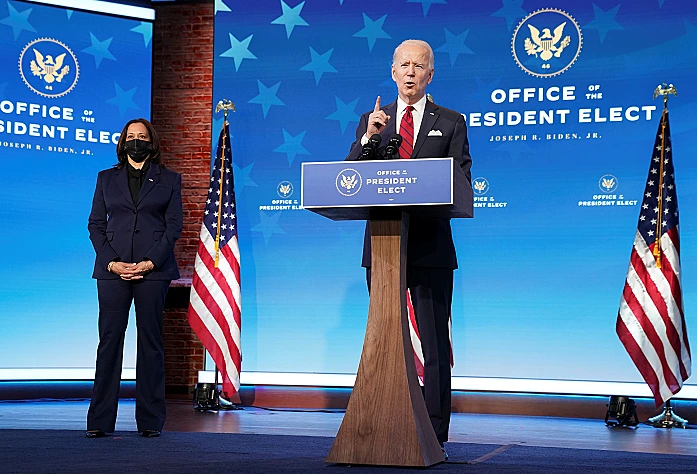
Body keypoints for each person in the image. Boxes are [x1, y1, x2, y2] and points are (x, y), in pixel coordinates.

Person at [345, 39, 472, 457]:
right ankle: (382, 425)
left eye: (419, 66)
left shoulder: (451, 122)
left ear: (430, 75)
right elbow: (350, 180)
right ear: (393, 72)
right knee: (384, 341)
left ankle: (434, 435)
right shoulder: (373, 121)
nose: (411, 72)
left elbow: (460, 181)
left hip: (430, 247)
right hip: (383, 247)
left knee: (434, 345)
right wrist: (369, 137)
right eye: (404, 65)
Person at [86, 118, 182, 438]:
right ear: (123, 142)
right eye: (131, 136)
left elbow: (174, 227)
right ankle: (99, 422)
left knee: (151, 343)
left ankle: (151, 422)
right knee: (109, 342)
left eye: (142, 136)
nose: (136, 141)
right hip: (111, 271)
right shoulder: (105, 178)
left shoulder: (169, 179)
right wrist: (112, 263)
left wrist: (149, 262)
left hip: (153, 271)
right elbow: (96, 225)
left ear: (151, 142)